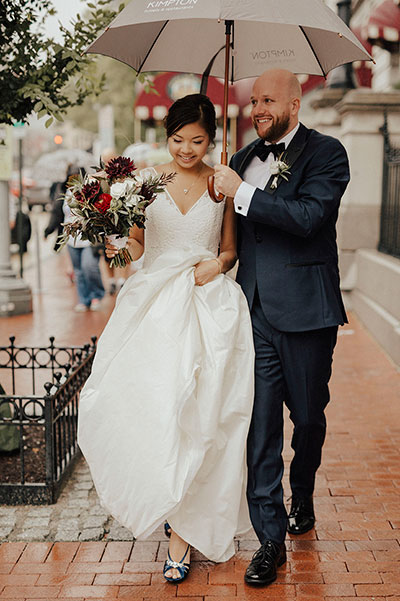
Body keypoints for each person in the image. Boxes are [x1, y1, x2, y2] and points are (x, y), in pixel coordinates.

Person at [78, 94, 255, 582]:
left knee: (202, 416)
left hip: (207, 308)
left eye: (197, 141)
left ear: (211, 139)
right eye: (178, 140)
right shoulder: (143, 182)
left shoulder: (221, 184)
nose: (186, 150)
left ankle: (182, 535)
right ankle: (160, 496)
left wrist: (215, 265)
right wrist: (116, 238)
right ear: (167, 136)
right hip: (153, 307)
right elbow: (136, 245)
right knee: (155, 412)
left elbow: (230, 250)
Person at [214, 68, 350, 587]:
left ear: (295, 104)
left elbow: (309, 216)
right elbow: (230, 236)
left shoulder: (327, 153)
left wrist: (243, 195)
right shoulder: (242, 158)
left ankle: (305, 490)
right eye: (253, 102)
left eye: (268, 100)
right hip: (254, 314)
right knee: (261, 428)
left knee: (309, 419)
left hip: (308, 314)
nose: (258, 109)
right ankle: (269, 539)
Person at [62, 165, 105, 312]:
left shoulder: (89, 191)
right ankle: (83, 299)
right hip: (72, 239)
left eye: (75, 177)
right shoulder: (67, 192)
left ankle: (96, 295)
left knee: (89, 267)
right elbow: (63, 215)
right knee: (78, 271)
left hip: (88, 238)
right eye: (70, 178)